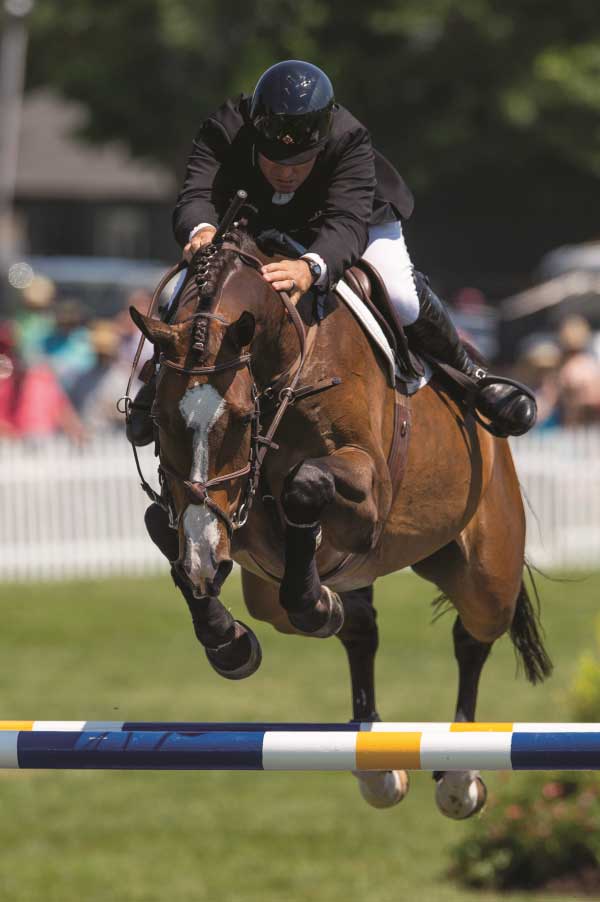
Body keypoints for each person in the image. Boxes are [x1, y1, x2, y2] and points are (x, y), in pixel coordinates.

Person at [127, 60, 536, 445]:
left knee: (399, 296)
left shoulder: (347, 136)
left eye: (300, 162)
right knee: (178, 290)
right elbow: (196, 195)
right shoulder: (226, 127)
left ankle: (473, 376)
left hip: (350, 220)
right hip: (256, 220)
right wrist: (202, 230)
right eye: (275, 159)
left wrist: (311, 267)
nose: (286, 172)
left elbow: (346, 223)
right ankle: (159, 383)